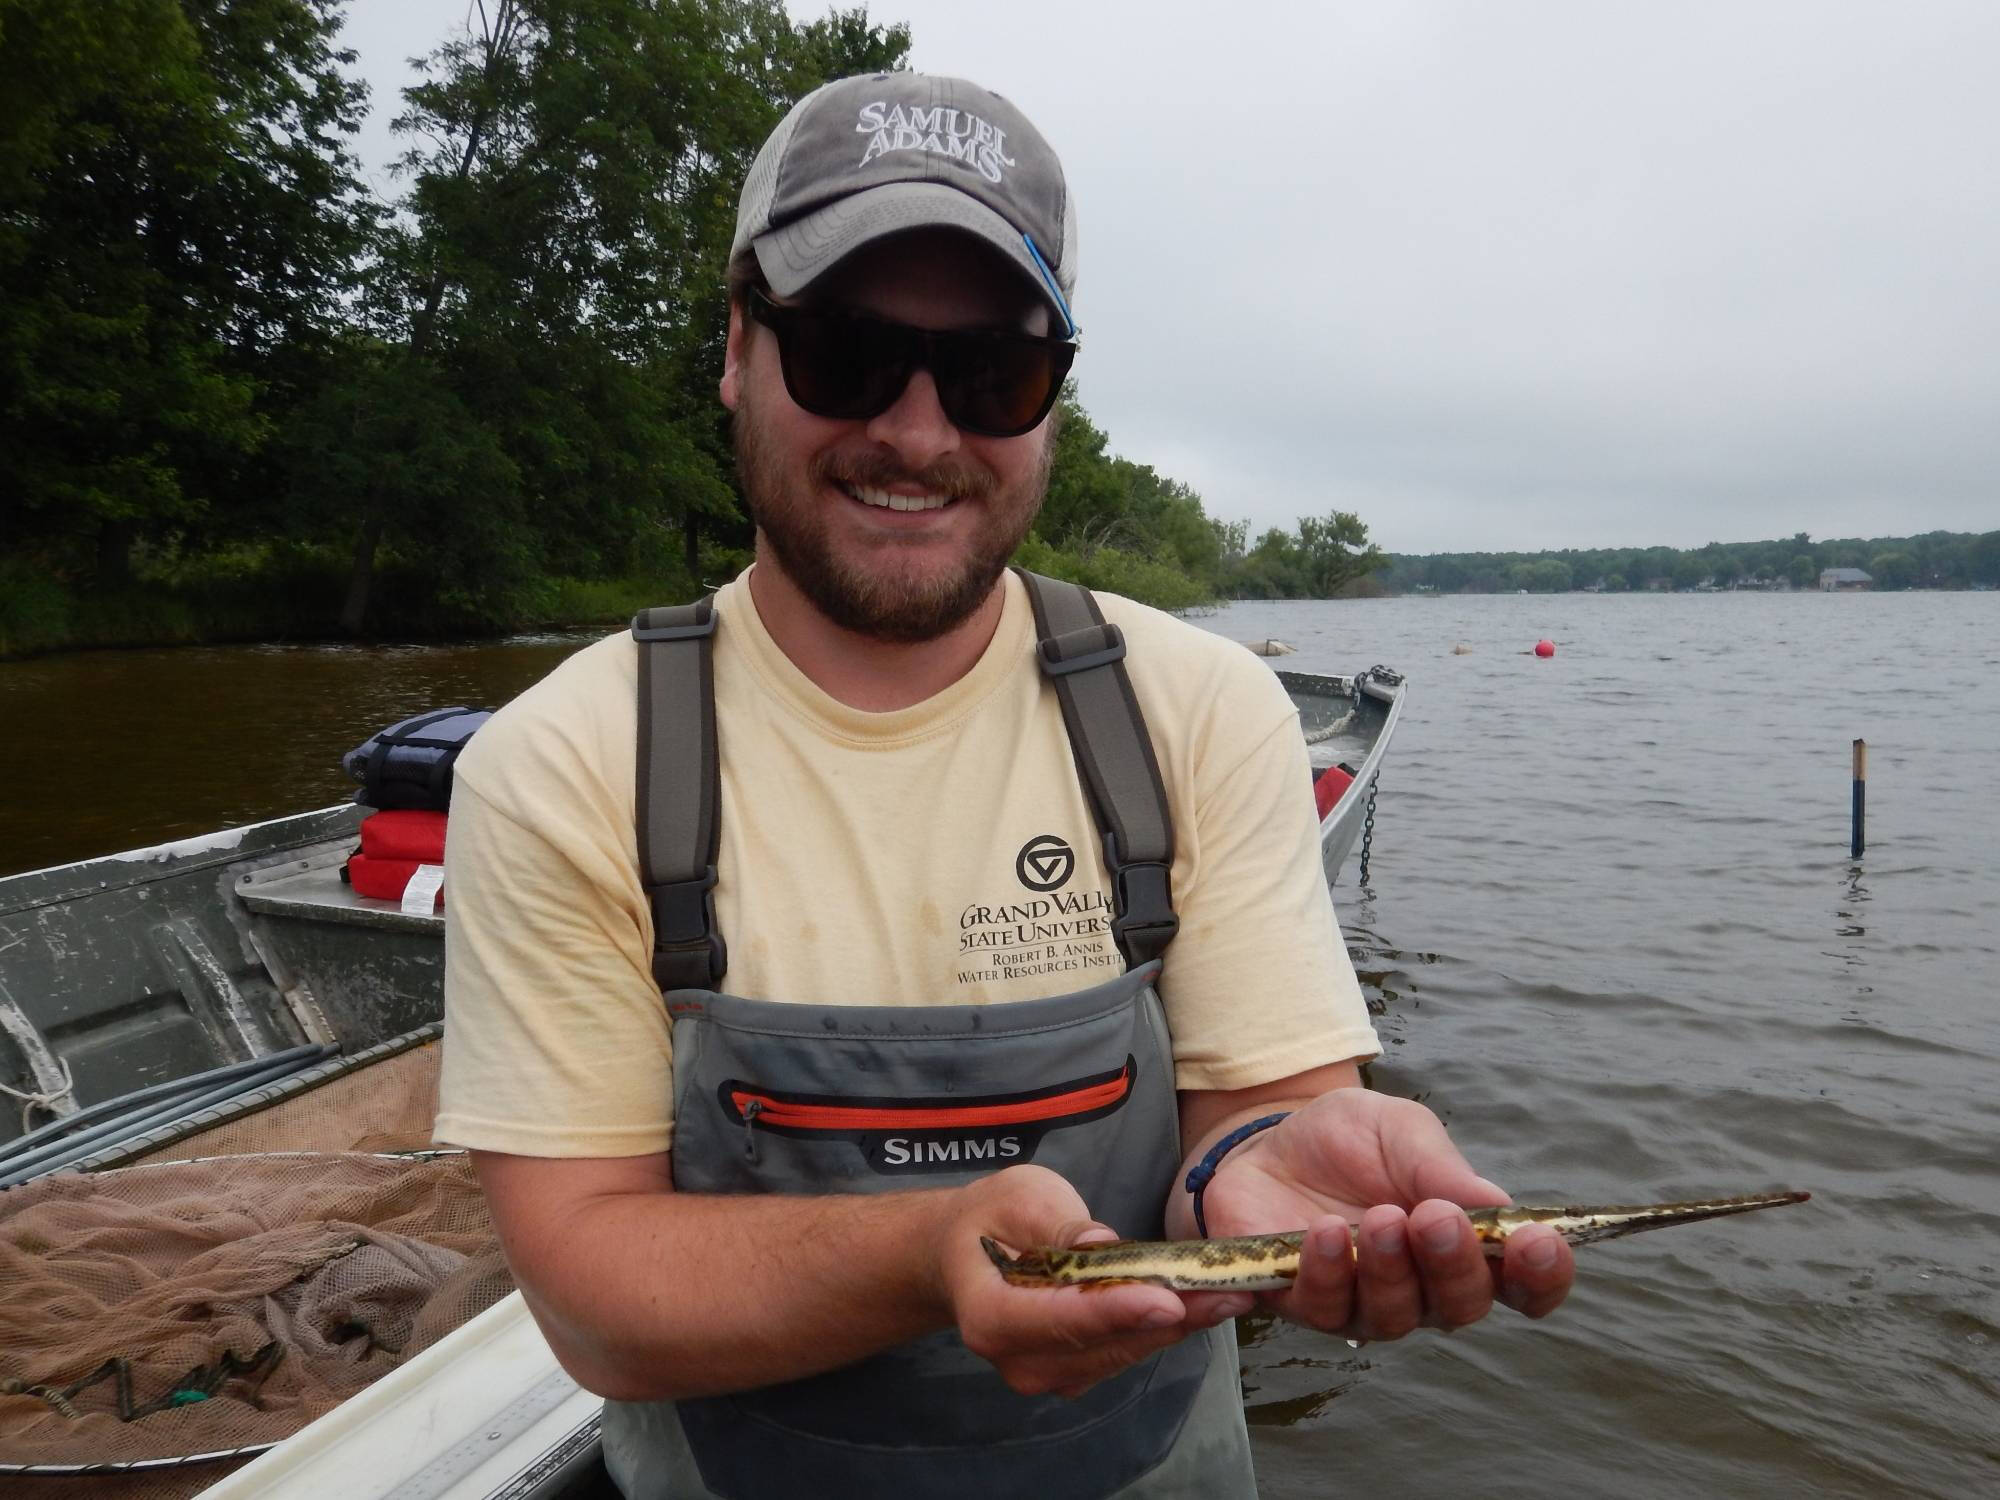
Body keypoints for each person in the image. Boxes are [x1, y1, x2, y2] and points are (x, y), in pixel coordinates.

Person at [436, 70, 1574, 1499]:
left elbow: (1257, 1120)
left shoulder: (1199, 710)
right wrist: (932, 1252)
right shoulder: (561, 765)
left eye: (991, 375)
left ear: (1054, 397)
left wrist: (1287, 1164)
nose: (918, 435)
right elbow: (593, 1285)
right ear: (736, 348)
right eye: (847, 354)